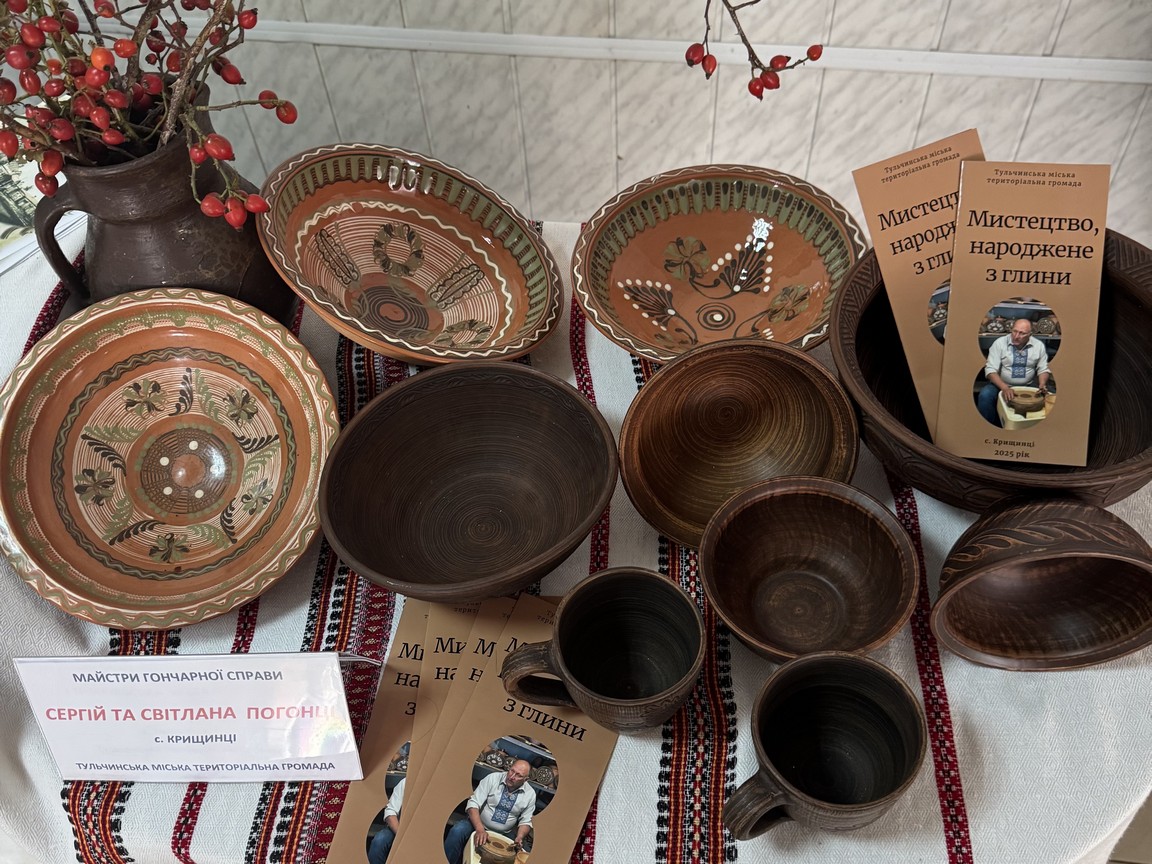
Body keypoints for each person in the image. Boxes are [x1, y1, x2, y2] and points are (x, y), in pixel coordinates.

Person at [444, 760, 536, 864]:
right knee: (457, 831)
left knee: (523, 854)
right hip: (477, 824)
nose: (511, 777)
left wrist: (520, 837)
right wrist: (479, 829)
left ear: (525, 779)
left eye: (518, 775)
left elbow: (526, 821)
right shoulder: (493, 778)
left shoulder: (530, 794)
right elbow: (473, 804)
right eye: (512, 771)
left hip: (505, 833)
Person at [977, 318, 1050, 427]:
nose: (1016, 336)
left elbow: (1043, 368)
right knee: (985, 395)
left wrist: (1042, 384)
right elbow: (990, 370)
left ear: (1030, 334)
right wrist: (1004, 387)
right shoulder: (999, 343)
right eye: (1014, 331)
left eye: (1022, 333)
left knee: (1049, 397)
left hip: (1028, 385)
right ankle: (987, 429)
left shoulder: (1038, 345)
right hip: (1001, 385)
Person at [367, 776, 405, 864]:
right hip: (399, 829)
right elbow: (390, 813)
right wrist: (402, 835)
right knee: (380, 840)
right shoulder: (406, 782)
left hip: (427, 833)